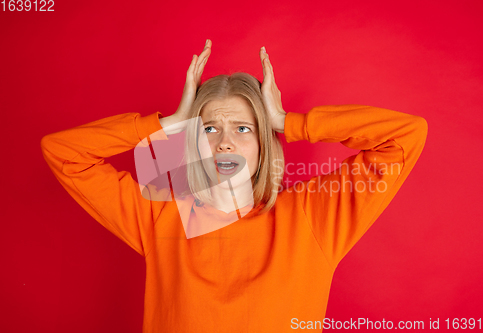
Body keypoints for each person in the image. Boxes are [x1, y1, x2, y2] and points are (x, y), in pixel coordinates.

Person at [41, 39, 428, 332]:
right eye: (209, 128)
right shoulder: (159, 214)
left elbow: (404, 137)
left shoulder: (313, 215)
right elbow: (62, 152)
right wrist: (166, 123)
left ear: (264, 142)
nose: (224, 142)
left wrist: (288, 121)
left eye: (243, 128)